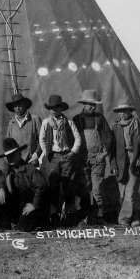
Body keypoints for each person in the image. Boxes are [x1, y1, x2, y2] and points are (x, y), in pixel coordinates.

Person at [72, 89, 114, 225]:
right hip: (82, 159)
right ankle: (85, 216)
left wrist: (104, 154)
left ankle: (100, 215)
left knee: (97, 187)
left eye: (94, 105)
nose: (92, 107)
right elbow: (72, 139)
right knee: (84, 187)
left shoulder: (99, 118)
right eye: (89, 104)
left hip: (98, 158)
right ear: (83, 104)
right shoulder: (76, 120)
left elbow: (108, 137)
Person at [39, 94, 81, 225]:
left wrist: (72, 152)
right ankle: (54, 215)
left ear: (61, 108)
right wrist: (46, 152)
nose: (54, 110)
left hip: (66, 156)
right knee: (53, 187)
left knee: (68, 185)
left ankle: (69, 215)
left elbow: (78, 138)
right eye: (51, 108)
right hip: (53, 157)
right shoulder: (46, 123)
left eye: (56, 108)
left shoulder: (68, 122)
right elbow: (41, 139)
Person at [0, 138, 47, 231]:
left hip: (31, 206)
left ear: (19, 154)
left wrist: (34, 205)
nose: (10, 158)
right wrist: (1, 188)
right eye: (8, 156)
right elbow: (0, 175)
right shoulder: (7, 170)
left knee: (23, 227)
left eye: (12, 155)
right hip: (17, 206)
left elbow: (41, 186)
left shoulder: (30, 169)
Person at [109, 103, 140, 227]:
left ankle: (123, 219)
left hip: (134, 159)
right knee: (122, 192)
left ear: (130, 111)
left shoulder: (139, 124)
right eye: (120, 111)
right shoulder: (115, 126)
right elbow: (111, 148)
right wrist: (113, 164)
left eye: (125, 111)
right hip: (120, 160)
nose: (123, 113)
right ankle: (134, 217)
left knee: (130, 192)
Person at [5, 93, 42, 165]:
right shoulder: (11, 123)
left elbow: (42, 140)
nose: (18, 108)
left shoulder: (35, 119)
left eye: (20, 105)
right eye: (15, 106)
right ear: (13, 108)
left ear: (24, 105)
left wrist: (36, 154)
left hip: (32, 161)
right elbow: (8, 144)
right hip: (16, 162)